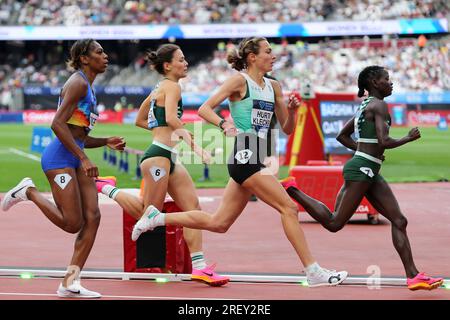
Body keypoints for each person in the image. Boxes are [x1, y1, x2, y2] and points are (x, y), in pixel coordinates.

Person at [132, 37, 348, 287]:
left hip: (260, 154)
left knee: (219, 223)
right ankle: (313, 271)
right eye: (268, 51)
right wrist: (225, 124)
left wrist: (292, 110)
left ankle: (156, 219)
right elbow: (205, 109)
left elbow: (286, 129)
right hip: (245, 155)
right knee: (288, 208)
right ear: (252, 57)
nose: (274, 56)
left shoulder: (274, 87)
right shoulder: (239, 81)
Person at [280, 65, 444, 291]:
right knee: (335, 222)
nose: (391, 82)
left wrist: (366, 151)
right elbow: (384, 141)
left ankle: (413, 276)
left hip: (367, 168)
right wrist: (408, 138)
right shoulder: (378, 105)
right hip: (362, 170)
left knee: (399, 220)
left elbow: (342, 136)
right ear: (375, 83)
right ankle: (292, 189)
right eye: (387, 79)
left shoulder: (365, 105)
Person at [1, 39, 126, 298]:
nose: (106, 56)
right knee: (72, 223)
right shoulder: (78, 83)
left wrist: (105, 142)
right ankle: (29, 192)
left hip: (73, 156)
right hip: (59, 159)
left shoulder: (89, 88)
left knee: (93, 218)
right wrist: (83, 159)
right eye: (99, 52)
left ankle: (69, 281)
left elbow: (78, 136)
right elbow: (57, 124)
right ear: (84, 58)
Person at [96, 44, 229, 286]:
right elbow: (170, 118)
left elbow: (140, 120)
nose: (186, 62)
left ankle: (200, 267)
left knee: (192, 206)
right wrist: (195, 147)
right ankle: (106, 187)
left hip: (168, 155)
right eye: (181, 59)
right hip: (158, 155)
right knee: (148, 213)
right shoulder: (173, 86)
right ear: (168, 65)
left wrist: (165, 131)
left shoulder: (159, 87)